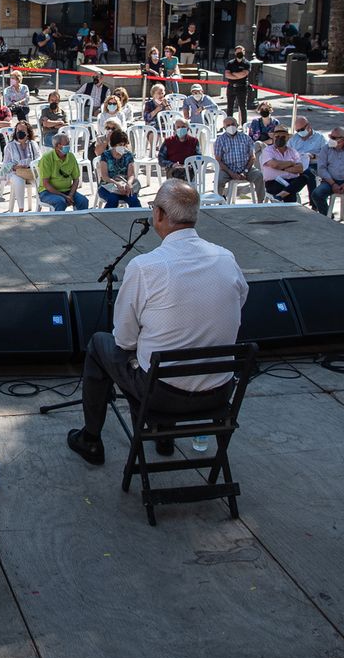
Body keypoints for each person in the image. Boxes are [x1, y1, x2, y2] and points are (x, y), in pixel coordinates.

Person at [66, 181, 248, 466]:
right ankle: (163, 435)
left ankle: (90, 439)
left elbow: (124, 340)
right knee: (167, 342)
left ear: (160, 215)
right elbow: (238, 303)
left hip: (163, 395)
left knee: (100, 345)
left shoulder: (146, 267)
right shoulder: (226, 258)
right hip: (219, 391)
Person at [309, 127, 344, 229]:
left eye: (334, 137)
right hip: (330, 181)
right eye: (330, 136)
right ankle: (328, 216)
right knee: (316, 194)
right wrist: (332, 183)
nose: (331, 139)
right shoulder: (325, 149)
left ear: (343, 139)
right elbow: (321, 169)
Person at [214, 114, 264, 202]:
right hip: (227, 169)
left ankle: (261, 202)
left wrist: (245, 171)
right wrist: (231, 173)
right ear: (224, 127)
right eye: (228, 125)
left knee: (259, 176)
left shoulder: (246, 138)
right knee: (218, 180)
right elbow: (218, 160)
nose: (231, 127)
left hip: (246, 168)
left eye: (233, 124)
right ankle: (220, 200)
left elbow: (252, 157)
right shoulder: (220, 140)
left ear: (237, 125)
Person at [38, 131, 89, 211]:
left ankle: (80, 223)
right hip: (47, 192)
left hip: (67, 190)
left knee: (83, 201)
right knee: (61, 202)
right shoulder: (47, 158)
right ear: (57, 146)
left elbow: (76, 179)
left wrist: (71, 195)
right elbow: (46, 184)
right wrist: (64, 196)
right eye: (67, 143)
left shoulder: (71, 156)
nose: (69, 145)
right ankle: (58, 223)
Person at [259, 128, 308, 202]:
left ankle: (280, 196)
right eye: (277, 137)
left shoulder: (292, 151)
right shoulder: (268, 150)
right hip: (274, 182)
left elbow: (300, 169)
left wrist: (280, 166)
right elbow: (274, 165)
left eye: (283, 137)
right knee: (291, 192)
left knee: (305, 177)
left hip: (291, 181)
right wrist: (291, 163)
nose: (279, 139)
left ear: (287, 138)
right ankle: (284, 198)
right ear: (273, 137)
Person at [96, 128, 142, 208]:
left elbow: (131, 174)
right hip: (107, 185)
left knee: (133, 199)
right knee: (113, 199)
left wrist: (129, 183)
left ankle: (138, 219)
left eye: (124, 145)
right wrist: (116, 184)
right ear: (114, 144)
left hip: (125, 185)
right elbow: (104, 176)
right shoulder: (106, 155)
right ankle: (106, 219)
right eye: (120, 145)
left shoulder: (128, 155)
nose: (122, 147)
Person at [2, 120, 40, 204]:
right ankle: (21, 209)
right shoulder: (10, 146)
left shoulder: (33, 144)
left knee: (40, 180)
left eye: (22, 131)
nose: (20, 133)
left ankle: (39, 205)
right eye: (18, 130)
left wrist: (30, 164)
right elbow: (5, 166)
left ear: (28, 133)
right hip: (15, 172)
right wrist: (15, 167)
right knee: (19, 181)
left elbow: (39, 159)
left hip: (30, 172)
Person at [288, 117, 327, 185]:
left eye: (302, 129)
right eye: (298, 131)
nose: (300, 132)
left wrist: (314, 155)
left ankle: (313, 195)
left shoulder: (320, 138)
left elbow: (327, 154)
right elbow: (287, 153)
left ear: (308, 126)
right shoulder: (293, 139)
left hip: (313, 164)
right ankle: (289, 193)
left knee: (309, 173)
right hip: (297, 164)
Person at [224, 46, 252, 117]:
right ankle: (229, 123)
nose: (240, 53)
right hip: (231, 87)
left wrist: (233, 73)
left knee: (243, 107)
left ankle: (243, 124)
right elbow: (227, 75)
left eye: (241, 51)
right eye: (238, 52)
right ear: (235, 53)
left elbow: (244, 74)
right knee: (230, 107)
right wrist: (238, 75)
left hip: (242, 87)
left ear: (244, 52)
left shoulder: (247, 63)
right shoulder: (230, 63)